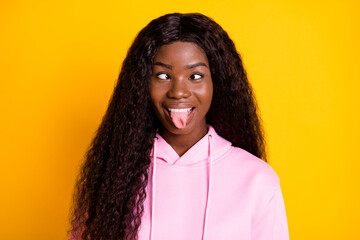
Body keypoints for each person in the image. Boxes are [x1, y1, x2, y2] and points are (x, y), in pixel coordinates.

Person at [70, 13, 289, 240]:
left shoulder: (258, 180)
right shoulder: (111, 177)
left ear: (217, 82)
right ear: (143, 83)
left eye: (195, 76)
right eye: (163, 75)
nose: (179, 92)